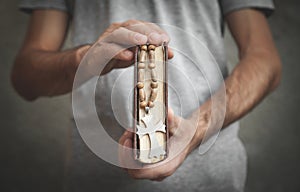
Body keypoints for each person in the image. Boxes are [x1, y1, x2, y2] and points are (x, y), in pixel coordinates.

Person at [12, 0, 281, 191]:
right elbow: (25, 79)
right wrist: (84, 59)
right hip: (94, 182)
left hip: (213, 182)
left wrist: (195, 129)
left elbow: (265, 60)